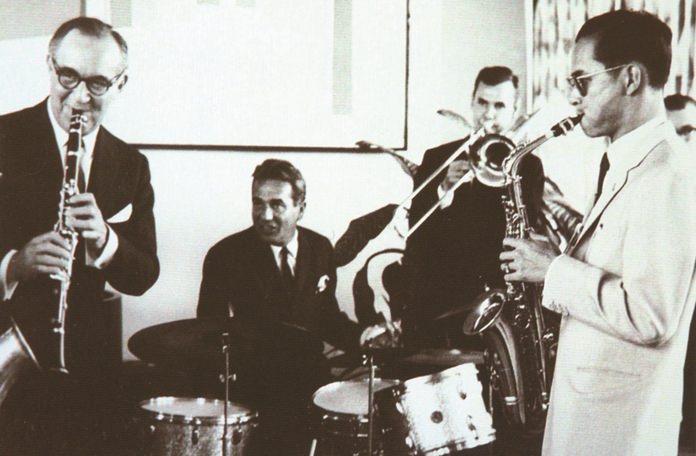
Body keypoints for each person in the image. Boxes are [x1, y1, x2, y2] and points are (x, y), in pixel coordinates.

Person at [500, 10, 696, 455]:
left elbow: (651, 317)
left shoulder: (668, 175)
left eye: (582, 80)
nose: (573, 97)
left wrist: (555, 270)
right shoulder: (629, 162)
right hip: (594, 421)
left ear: (630, 78)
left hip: (620, 432)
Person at [0, 17, 158, 455]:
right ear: (49, 66)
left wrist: (105, 240)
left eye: (98, 84)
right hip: (8, 363)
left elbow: (144, 274)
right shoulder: (2, 139)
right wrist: (14, 264)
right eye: (67, 77)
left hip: (90, 371)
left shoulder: (131, 165)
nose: (80, 98)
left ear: (121, 82)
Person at [197, 158, 384, 455]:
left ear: (301, 208)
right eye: (257, 203)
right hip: (255, 392)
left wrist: (362, 335)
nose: (265, 214)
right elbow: (207, 332)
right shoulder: (225, 255)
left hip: (313, 387)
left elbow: (327, 317)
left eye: (277, 204)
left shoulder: (321, 249)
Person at [404, 66, 545, 344]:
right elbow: (416, 236)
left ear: (514, 111)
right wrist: (444, 190)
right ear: (471, 102)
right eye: (482, 102)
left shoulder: (528, 166)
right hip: (440, 308)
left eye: (499, 105)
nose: (488, 114)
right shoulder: (438, 159)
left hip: (497, 307)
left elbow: (528, 238)